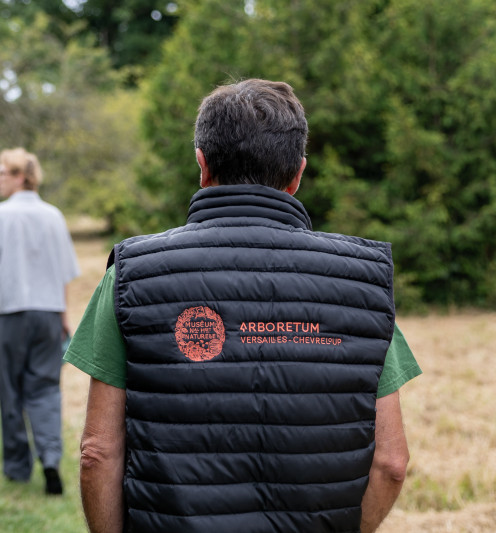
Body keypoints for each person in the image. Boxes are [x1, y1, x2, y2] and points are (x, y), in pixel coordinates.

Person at [65, 79, 422, 532]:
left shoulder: (134, 273)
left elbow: (97, 452)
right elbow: (391, 461)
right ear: (298, 174)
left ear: (202, 164)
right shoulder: (361, 281)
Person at [0, 148, 80, 495]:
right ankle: (50, 458)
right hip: (49, 314)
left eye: (2, 171)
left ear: (22, 176)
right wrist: (64, 317)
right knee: (46, 388)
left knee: (11, 391)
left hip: (10, 314)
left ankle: (18, 467)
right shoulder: (54, 216)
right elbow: (66, 273)